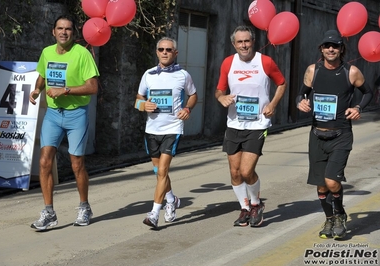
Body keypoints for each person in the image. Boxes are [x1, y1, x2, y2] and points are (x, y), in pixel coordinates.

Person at [296, 29, 373, 239]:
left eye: (335, 46)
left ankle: (339, 214)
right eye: (327, 45)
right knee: (321, 184)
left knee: (331, 181)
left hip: (341, 134)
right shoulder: (313, 70)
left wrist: (357, 108)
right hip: (317, 134)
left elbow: (368, 92)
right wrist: (300, 101)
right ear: (321, 49)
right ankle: (329, 219)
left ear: (341, 49)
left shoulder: (352, 71)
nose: (331, 49)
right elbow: (302, 92)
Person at [29, 15, 99, 230]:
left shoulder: (82, 54)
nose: (63, 32)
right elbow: (42, 73)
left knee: (77, 164)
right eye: (60, 28)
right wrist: (37, 89)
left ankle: (84, 206)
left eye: (68, 29)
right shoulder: (47, 52)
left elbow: (93, 87)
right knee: (44, 161)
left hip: (76, 114)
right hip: (53, 113)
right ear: (53, 31)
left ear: (73, 33)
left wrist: (66, 90)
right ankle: (49, 212)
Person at [215, 25, 286, 227]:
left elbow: (282, 83)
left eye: (247, 41)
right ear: (234, 44)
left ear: (253, 42)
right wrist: (221, 98)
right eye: (240, 42)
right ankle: (245, 208)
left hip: (257, 124)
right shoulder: (228, 63)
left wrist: (272, 104)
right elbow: (219, 90)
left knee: (246, 171)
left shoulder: (265, 61)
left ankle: (256, 204)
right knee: (235, 173)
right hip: (234, 124)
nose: (244, 45)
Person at [135, 37, 198, 228]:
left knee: (163, 170)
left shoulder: (183, 75)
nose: (164, 52)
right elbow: (138, 99)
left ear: (175, 53)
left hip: (173, 129)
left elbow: (193, 95)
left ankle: (154, 213)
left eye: (168, 50)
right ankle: (171, 200)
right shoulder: (149, 74)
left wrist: (187, 109)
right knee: (158, 171)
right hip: (152, 130)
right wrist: (143, 105)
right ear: (157, 52)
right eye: (161, 49)